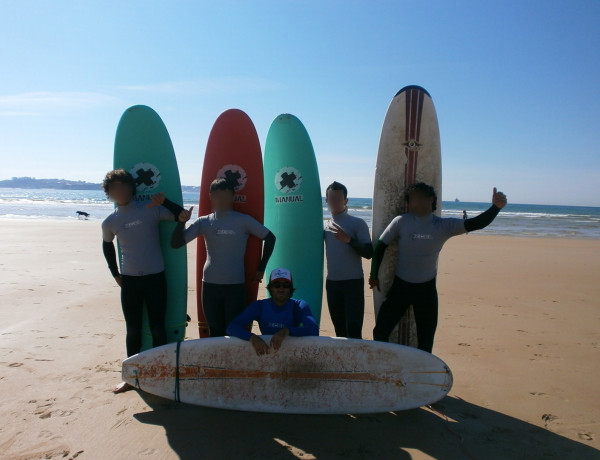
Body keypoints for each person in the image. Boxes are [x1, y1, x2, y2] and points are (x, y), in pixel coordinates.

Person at [369, 182, 507, 353]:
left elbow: (476, 223)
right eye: (412, 199)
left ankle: (421, 374)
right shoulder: (401, 222)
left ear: (431, 200)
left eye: (419, 198)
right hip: (401, 287)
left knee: (426, 341)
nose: (415, 202)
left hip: (426, 291)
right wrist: (373, 275)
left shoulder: (443, 226)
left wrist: (495, 208)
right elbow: (381, 245)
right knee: (380, 331)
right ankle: (383, 362)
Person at [101, 169, 184, 393]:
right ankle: (131, 377)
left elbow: (182, 215)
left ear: (131, 187)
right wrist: (115, 273)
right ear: (109, 192)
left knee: (158, 328)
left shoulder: (150, 209)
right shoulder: (110, 221)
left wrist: (165, 201)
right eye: (115, 187)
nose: (121, 190)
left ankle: (162, 373)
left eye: (124, 186)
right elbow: (107, 245)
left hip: (156, 278)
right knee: (133, 330)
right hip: (130, 281)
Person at [172, 178, 276, 337]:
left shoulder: (244, 220)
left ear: (233, 196)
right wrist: (181, 222)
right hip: (210, 285)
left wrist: (261, 269)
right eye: (217, 195)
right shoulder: (204, 222)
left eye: (226, 195)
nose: (221, 199)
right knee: (215, 332)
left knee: (234, 332)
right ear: (211, 196)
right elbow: (176, 243)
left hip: (236, 286)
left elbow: (270, 238)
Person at [226, 268, 319, 355]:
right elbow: (232, 327)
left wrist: (287, 331)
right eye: (277, 285)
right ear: (270, 288)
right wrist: (252, 338)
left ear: (290, 288)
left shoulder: (299, 306)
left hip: (291, 355)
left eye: (285, 286)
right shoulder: (259, 306)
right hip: (267, 352)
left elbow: (314, 330)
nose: (281, 289)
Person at [323, 181, 373, 338]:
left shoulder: (357, 223)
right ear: (326, 201)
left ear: (346, 201)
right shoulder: (324, 225)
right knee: (339, 329)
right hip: (332, 283)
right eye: (331, 198)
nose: (335, 202)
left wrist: (349, 240)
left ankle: (356, 362)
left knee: (353, 328)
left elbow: (369, 252)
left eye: (338, 198)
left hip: (353, 283)